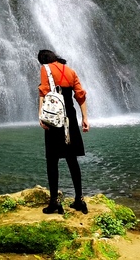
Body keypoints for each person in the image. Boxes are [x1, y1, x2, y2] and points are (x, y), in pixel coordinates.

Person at [37, 49, 89, 214]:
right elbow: (80, 96)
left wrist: (41, 116)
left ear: (44, 60)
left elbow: (44, 92)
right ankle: (79, 199)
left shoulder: (46, 69)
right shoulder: (71, 71)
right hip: (70, 119)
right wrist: (85, 118)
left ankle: (54, 202)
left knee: (52, 160)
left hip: (54, 118)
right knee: (71, 159)